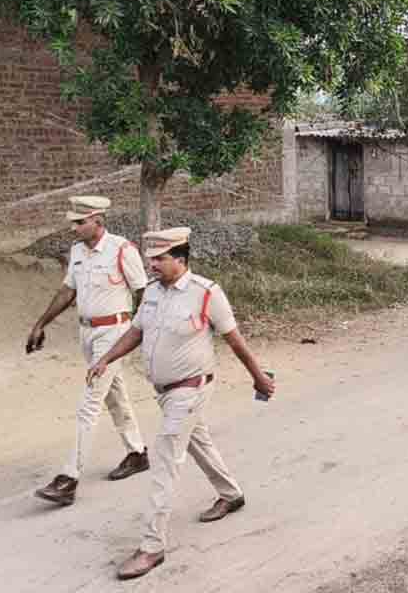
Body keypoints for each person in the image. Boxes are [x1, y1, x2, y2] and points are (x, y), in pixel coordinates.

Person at [87, 227, 276, 580]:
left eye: (159, 259)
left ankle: (151, 547)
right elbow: (136, 332)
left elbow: (235, 341)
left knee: (164, 459)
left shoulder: (206, 294)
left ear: (180, 259)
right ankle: (231, 494)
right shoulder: (153, 294)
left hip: (190, 389)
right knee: (196, 441)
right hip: (164, 391)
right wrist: (106, 359)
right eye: (151, 258)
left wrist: (258, 377)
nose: (152, 264)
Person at [28, 196, 149, 507]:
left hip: (115, 333)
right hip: (87, 332)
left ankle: (68, 478)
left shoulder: (122, 250)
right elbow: (68, 291)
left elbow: (144, 293)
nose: (75, 228)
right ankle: (137, 453)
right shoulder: (77, 252)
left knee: (90, 401)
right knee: (114, 394)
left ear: (98, 220)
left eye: (80, 222)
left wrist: (143, 332)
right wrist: (41, 323)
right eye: (73, 222)